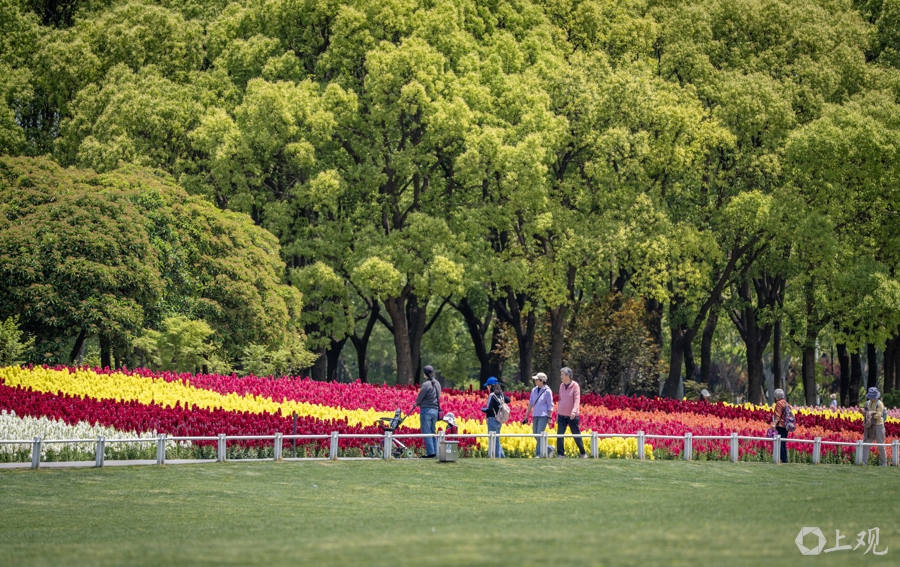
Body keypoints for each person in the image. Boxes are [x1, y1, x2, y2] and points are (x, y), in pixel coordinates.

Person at [556, 367, 587, 458]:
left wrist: (574, 412)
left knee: (576, 434)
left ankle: (583, 453)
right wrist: (558, 412)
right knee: (560, 434)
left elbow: (577, 400)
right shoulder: (561, 386)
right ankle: (560, 454)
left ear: (568, 376)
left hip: (572, 416)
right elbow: (560, 400)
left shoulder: (575, 385)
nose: (560, 376)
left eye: (562, 374)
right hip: (562, 415)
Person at [523, 372, 554, 457]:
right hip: (535, 414)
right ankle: (548, 447)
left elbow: (550, 405)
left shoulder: (547, 391)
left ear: (542, 381)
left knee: (540, 433)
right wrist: (526, 415)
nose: (535, 381)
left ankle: (539, 454)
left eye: (536, 379)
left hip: (543, 415)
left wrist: (549, 417)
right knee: (535, 434)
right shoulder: (534, 390)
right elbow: (531, 403)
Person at [415, 365, 441, 458]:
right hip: (435, 410)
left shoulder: (426, 384)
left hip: (426, 410)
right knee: (433, 431)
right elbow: (439, 396)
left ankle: (431, 452)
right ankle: (436, 451)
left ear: (425, 374)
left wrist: (417, 403)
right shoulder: (437, 383)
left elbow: (421, 396)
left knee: (426, 432)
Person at [481, 377, 510, 458]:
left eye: (488, 386)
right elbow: (508, 400)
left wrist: (482, 409)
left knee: (494, 440)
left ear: (491, 386)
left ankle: (498, 457)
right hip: (499, 419)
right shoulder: (500, 394)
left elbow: (488, 408)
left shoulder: (492, 395)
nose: (487, 387)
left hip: (493, 419)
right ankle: (502, 456)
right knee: (497, 439)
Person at [863, 387, 887, 466]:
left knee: (881, 445)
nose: (871, 398)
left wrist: (869, 413)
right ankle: (864, 462)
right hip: (870, 426)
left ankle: (884, 462)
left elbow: (878, 416)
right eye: (870, 397)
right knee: (866, 444)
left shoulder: (879, 404)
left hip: (878, 426)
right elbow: (866, 413)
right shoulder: (867, 403)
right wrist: (863, 412)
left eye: (873, 397)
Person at [772, 389, 789, 463]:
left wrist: (774, 424)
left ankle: (783, 459)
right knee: (783, 442)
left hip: (781, 425)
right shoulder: (785, 403)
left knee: (781, 442)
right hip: (786, 425)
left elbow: (778, 415)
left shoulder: (778, 403)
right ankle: (784, 458)